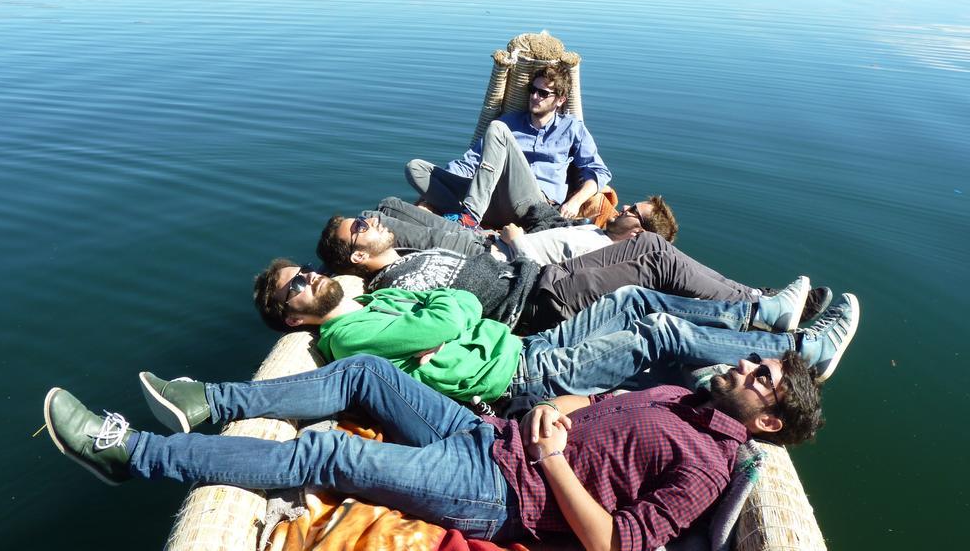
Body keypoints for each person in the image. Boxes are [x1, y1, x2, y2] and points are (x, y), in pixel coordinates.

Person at [43, 350, 824, 551]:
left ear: (764, 423)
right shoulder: (687, 394)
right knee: (366, 373)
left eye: (763, 379)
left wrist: (551, 459)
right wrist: (556, 407)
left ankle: (132, 453)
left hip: (503, 490)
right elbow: (598, 401)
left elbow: (616, 543)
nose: (749, 368)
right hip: (491, 434)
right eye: (759, 362)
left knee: (329, 460)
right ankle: (209, 402)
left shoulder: (710, 463)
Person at [253, 261, 858, 403]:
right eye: (295, 287)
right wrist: (442, 318)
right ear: (292, 318)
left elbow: (458, 305)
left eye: (303, 271)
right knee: (656, 334)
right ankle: (803, 348)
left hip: (521, 348)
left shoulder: (375, 299)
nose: (307, 276)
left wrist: (444, 319)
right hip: (518, 378)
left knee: (632, 296)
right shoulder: (347, 338)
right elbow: (451, 313)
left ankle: (761, 316)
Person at [316, 211, 829, 333]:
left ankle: (758, 300)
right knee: (650, 256)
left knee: (648, 242)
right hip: (538, 303)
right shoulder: (395, 286)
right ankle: (762, 311)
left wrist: (517, 255)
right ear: (357, 259)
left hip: (536, 277)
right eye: (360, 228)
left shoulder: (404, 260)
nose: (374, 220)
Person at [406, 65, 612, 229]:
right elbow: (470, 162)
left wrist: (575, 201)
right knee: (415, 168)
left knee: (497, 128)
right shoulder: (511, 121)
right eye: (533, 90)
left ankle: (470, 217)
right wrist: (445, 183)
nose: (534, 97)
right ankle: (467, 216)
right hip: (490, 200)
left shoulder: (571, 128)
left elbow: (599, 171)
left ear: (560, 100)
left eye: (543, 93)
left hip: (532, 204)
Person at [359, 195, 678, 266]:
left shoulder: (600, 255)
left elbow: (544, 280)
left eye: (633, 212)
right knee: (389, 204)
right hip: (485, 239)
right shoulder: (595, 232)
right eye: (630, 205)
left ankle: (348, 254)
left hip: (486, 255)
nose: (624, 209)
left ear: (639, 233)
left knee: (372, 218)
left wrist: (515, 240)